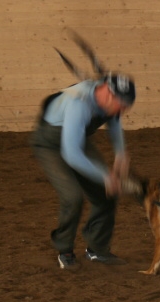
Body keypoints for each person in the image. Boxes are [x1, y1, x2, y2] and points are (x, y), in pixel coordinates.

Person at [31, 73, 136, 270]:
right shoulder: (78, 104)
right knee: (72, 197)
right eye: (120, 105)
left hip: (77, 138)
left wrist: (121, 153)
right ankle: (65, 251)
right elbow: (71, 154)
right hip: (50, 144)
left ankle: (97, 249)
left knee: (107, 193)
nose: (122, 111)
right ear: (107, 94)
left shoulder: (109, 99)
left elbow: (114, 121)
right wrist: (105, 176)